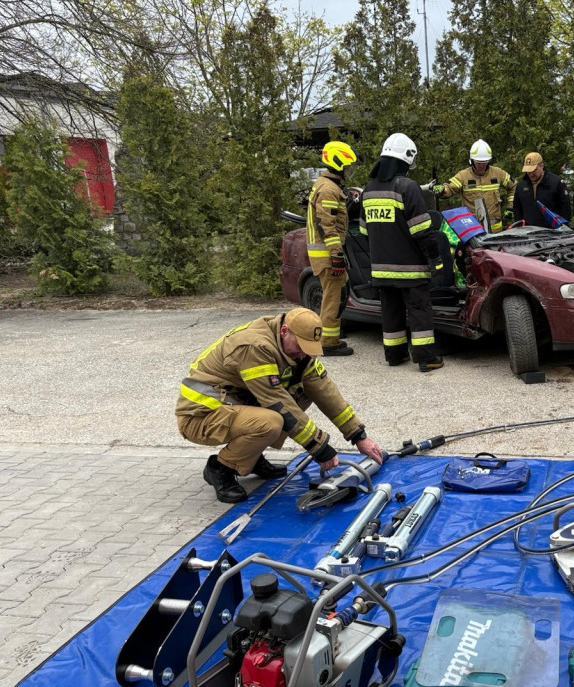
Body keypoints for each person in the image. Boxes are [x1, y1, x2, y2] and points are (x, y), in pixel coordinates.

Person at [176, 308, 383, 503]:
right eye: (301, 347)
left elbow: (325, 390)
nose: (303, 354)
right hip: (201, 415)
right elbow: (276, 401)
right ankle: (221, 468)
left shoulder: (295, 350)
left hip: (232, 406)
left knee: (302, 393)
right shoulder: (255, 347)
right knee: (273, 421)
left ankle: (252, 456)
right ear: (285, 331)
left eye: (309, 349)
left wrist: (358, 435)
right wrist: (319, 448)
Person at [360, 132, 444, 372]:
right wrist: (435, 258)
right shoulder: (408, 187)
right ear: (405, 160)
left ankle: (395, 355)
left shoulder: (368, 190)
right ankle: (426, 357)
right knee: (419, 311)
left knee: (391, 312)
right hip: (411, 269)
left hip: (381, 269)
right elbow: (422, 231)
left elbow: (365, 232)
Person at [306, 141, 358, 356]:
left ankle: (330, 336)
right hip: (327, 254)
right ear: (337, 164)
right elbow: (326, 224)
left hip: (326, 253)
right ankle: (328, 342)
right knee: (333, 297)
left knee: (339, 292)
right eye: (347, 166)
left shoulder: (326, 185)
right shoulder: (328, 190)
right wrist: (336, 254)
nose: (349, 170)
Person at [434, 140, 516, 233]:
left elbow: (514, 186)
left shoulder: (498, 173)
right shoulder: (463, 176)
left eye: (484, 162)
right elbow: (449, 188)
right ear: (472, 161)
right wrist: (442, 190)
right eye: (479, 162)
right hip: (472, 231)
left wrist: (510, 207)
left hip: (495, 231)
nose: (482, 165)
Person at [512, 152, 571, 228]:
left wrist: (562, 228)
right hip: (528, 232)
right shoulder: (521, 185)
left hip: (551, 232)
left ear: (542, 166)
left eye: (534, 170)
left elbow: (565, 207)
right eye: (528, 171)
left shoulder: (555, 182)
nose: (531, 173)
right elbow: (517, 207)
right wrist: (519, 226)